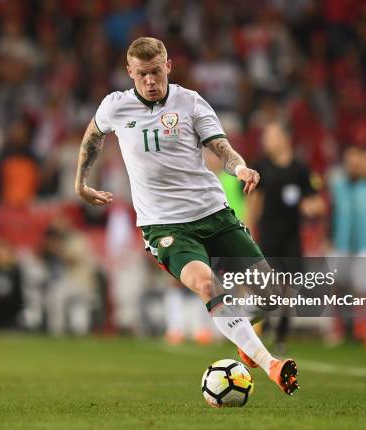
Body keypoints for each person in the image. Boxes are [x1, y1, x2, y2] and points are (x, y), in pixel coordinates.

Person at [74, 37, 298, 395]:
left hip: (213, 213)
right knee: (206, 283)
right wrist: (81, 182)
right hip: (165, 225)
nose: (150, 80)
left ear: (169, 66)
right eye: (143, 74)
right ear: (130, 72)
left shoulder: (190, 102)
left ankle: (243, 337)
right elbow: (92, 137)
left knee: (271, 291)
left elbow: (221, 148)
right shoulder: (115, 107)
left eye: (157, 72)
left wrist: (239, 169)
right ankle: (270, 363)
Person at [246, 122, 324, 352]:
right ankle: (265, 323)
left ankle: (281, 334)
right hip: (268, 236)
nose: (266, 141)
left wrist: (313, 207)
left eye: (271, 136)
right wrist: (248, 231)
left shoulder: (301, 170)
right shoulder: (261, 168)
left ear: (285, 139)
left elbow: (315, 199)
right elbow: (253, 203)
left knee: (291, 289)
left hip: (292, 237)